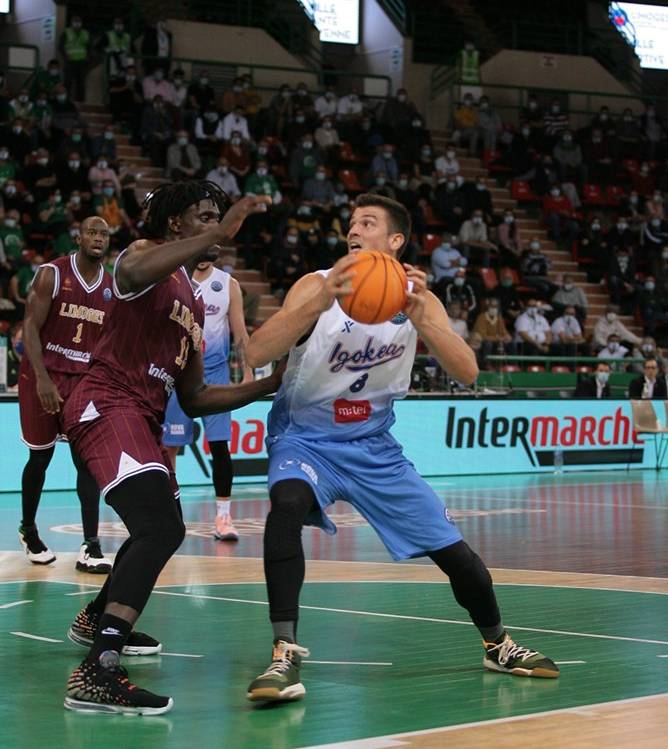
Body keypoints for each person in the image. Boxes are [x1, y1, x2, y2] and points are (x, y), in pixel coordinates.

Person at [244, 193, 558, 703]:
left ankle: (497, 643)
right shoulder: (315, 285)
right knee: (286, 507)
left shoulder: (419, 299)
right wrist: (319, 302)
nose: (353, 229)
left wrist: (424, 317)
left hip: (374, 445)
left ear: (395, 241)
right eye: (350, 222)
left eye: (366, 222)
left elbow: (469, 371)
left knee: (459, 558)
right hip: (306, 437)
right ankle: (283, 652)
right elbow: (256, 352)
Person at [61, 183, 282, 715]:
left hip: (143, 418)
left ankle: (99, 616)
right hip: (106, 404)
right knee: (161, 528)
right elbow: (131, 274)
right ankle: (98, 668)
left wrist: (267, 385)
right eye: (202, 215)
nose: (214, 225)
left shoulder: (192, 307)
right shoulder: (141, 256)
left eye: (217, 216)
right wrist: (222, 228)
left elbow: (198, 395)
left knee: (161, 526)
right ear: (176, 225)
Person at [18, 217, 113, 572]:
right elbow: (30, 326)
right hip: (43, 374)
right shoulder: (51, 274)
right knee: (40, 459)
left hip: (82, 380)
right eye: (92, 232)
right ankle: (28, 529)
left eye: (104, 234)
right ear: (78, 237)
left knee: (86, 462)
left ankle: (90, 545)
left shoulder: (111, 287)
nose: (98, 238)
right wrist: (41, 378)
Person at [163, 258, 253, 541]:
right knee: (169, 449)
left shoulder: (229, 285)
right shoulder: (172, 279)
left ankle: (223, 517)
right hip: (179, 372)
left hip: (214, 374)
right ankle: (171, 516)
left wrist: (248, 372)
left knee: (220, 446)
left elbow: (240, 333)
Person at [59, 15, 91, 102]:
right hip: (70, 61)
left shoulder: (85, 33)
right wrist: (65, 57)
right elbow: (61, 46)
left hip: (82, 61)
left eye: (79, 21)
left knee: (81, 83)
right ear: (71, 22)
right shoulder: (66, 32)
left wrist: (88, 57)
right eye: (75, 21)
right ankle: (66, 101)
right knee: (67, 82)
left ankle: (80, 102)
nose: (77, 23)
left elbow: (89, 47)